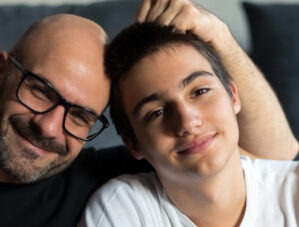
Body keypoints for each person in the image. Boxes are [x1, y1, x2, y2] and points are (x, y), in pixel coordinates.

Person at [0, 0, 297, 226]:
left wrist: (219, 36)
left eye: (80, 116)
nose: (50, 127)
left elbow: (278, 154)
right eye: (39, 91)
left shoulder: (95, 180)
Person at [79, 22, 299, 227]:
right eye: (156, 112)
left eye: (200, 91)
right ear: (133, 143)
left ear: (233, 96)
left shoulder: (293, 189)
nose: (187, 122)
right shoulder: (124, 209)